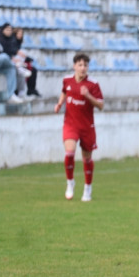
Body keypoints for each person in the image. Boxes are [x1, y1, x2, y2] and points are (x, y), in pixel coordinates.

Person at [54, 53, 104, 202]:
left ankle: (87, 188)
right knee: (69, 153)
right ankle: (70, 183)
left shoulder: (93, 84)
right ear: (74, 66)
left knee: (87, 159)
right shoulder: (67, 80)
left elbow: (101, 105)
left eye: (85, 65)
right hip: (70, 124)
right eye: (80, 65)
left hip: (87, 126)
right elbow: (64, 91)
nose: (83, 68)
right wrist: (59, 104)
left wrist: (88, 96)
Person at [0, 22, 32, 100]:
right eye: (7, 29)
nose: (9, 31)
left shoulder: (10, 39)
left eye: (10, 30)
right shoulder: (0, 39)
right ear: (3, 30)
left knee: (21, 70)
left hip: (9, 60)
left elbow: (10, 50)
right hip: (1, 62)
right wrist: (13, 57)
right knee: (15, 69)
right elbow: (3, 52)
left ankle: (21, 93)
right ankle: (13, 94)